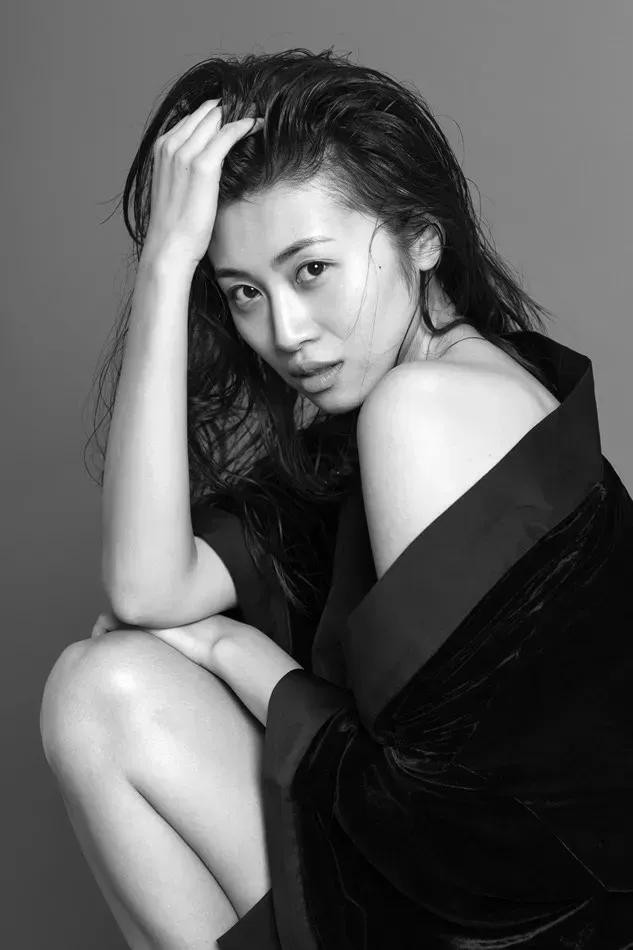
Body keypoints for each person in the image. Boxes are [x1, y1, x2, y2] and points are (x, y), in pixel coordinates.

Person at [39, 47, 633, 949]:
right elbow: (149, 587)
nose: (284, 332)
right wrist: (164, 264)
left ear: (421, 238)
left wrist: (233, 650)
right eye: (244, 292)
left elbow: (453, 839)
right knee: (101, 687)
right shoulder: (430, 391)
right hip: (464, 885)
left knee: (101, 693)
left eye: (311, 270)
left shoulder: (423, 410)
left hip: (527, 921)